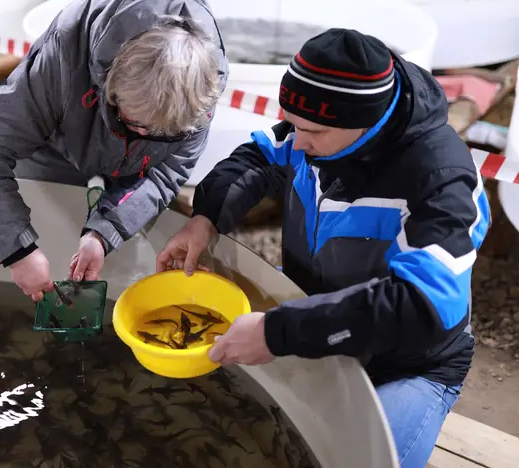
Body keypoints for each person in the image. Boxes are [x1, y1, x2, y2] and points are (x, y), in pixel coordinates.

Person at [156, 28, 491, 467]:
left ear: (365, 123)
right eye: (292, 124)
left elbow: (424, 306)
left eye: (311, 131)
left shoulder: (441, 180)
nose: (296, 141)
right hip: (319, 329)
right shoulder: (320, 129)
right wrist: (206, 217)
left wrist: (278, 333)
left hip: (410, 364)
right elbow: (257, 158)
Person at [0, 0, 228, 301]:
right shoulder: (66, 53)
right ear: (108, 82)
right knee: (40, 245)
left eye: (158, 133)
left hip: (134, 172)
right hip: (56, 147)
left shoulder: (200, 89)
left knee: (120, 258)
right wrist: (17, 250)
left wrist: (102, 234)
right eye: (133, 122)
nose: (141, 133)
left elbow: (166, 173)